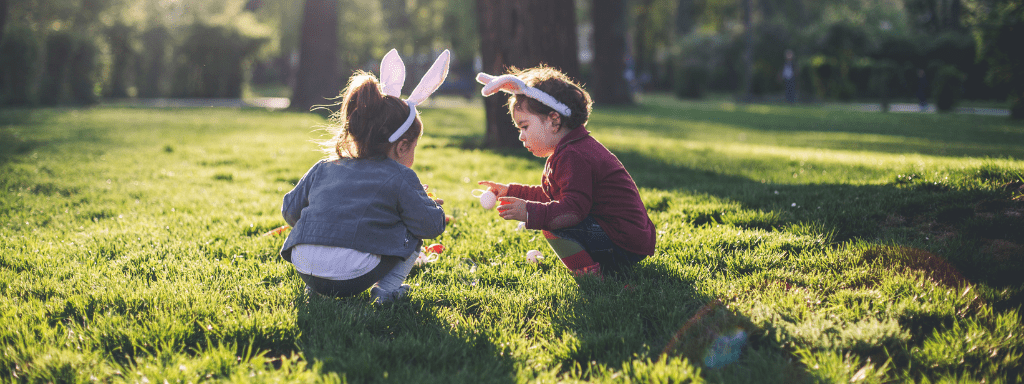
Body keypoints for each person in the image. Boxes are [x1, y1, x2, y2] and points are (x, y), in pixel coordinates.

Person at [279, 49, 449, 303]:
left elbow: (290, 211)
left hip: (303, 265)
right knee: (411, 231)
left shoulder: (325, 167)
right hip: (354, 275)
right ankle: (386, 290)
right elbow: (429, 226)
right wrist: (428, 205)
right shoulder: (400, 176)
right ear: (402, 146)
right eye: (414, 148)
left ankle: (316, 287)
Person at [475, 66, 657, 277]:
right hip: (625, 237)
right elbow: (551, 196)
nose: (521, 136)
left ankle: (589, 273)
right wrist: (510, 191)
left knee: (552, 223)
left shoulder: (574, 155)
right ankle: (598, 264)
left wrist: (530, 213)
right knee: (550, 214)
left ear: (554, 121)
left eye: (524, 127)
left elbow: (573, 210)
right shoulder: (570, 149)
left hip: (622, 241)